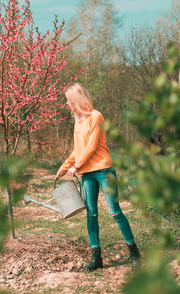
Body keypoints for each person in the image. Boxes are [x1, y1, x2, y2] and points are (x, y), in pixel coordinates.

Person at [56, 83, 141, 272]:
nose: (68, 104)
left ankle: (135, 254)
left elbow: (92, 147)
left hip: (103, 171)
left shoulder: (96, 116)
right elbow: (78, 150)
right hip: (87, 174)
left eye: (69, 101)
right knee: (91, 214)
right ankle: (97, 259)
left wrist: (75, 167)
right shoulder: (78, 120)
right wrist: (65, 167)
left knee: (115, 211)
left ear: (77, 99)